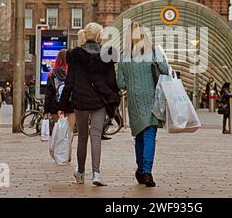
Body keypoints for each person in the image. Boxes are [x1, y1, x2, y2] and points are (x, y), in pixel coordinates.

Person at [59, 23, 120, 186]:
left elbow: (69, 81)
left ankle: (80, 172)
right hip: (99, 101)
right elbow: (111, 81)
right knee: (96, 137)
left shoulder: (73, 54)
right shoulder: (107, 54)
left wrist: (63, 104)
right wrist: (114, 99)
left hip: (80, 100)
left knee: (82, 138)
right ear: (99, 36)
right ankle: (96, 174)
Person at [118, 21, 169, 187]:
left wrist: (133, 84)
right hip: (151, 98)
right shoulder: (152, 51)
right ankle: (146, 171)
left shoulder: (123, 56)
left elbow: (120, 83)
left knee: (139, 135)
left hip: (133, 99)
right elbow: (165, 69)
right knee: (149, 136)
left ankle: (140, 170)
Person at [44, 50, 75, 139]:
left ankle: (59, 151)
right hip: (70, 104)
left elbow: (49, 94)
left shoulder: (52, 74)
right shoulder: (72, 72)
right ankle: (66, 151)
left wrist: (46, 109)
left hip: (56, 106)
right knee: (70, 131)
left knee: (58, 131)